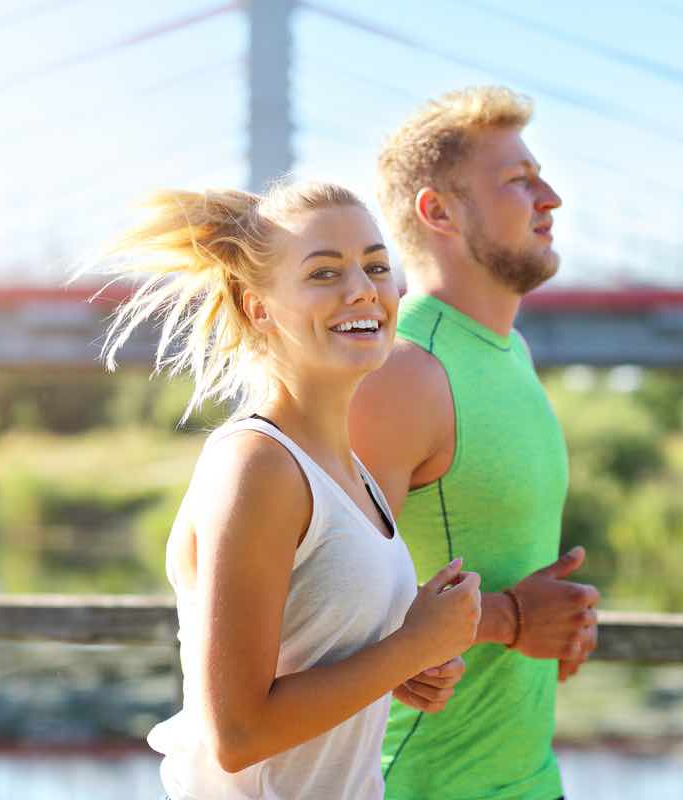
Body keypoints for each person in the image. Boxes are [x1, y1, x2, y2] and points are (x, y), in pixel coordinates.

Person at [89, 181, 481, 799]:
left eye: (376, 265)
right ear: (258, 308)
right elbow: (239, 733)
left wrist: (400, 668)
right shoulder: (259, 466)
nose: (363, 289)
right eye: (325, 272)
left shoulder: (351, 474)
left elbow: (309, 658)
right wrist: (408, 649)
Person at [349, 86, 601, 799]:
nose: (550, 197)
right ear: (439, 212)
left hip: (529, 781)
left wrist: (551, 628)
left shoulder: (509, 352)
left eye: (540, 176)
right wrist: (512, 620)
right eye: (519, 181)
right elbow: (315, 604)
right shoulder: (403, 371)